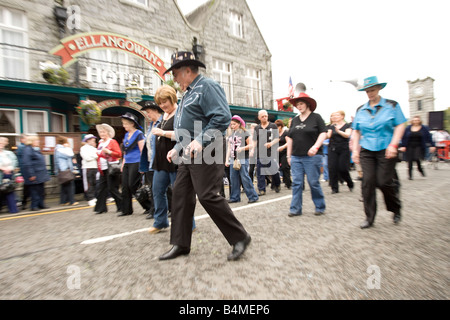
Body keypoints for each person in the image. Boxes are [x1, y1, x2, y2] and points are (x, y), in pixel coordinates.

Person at [159, 51, 250, 261]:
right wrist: (178, 147)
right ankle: (180, 244)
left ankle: (240, 237)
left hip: (208, 149)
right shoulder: (187, 94)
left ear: (187, 71)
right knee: (180, 195)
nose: (174, 79)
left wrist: (200, 140)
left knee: (207, 195)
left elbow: (222, 117)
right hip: (189, 151)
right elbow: (187, 127)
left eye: (175, 74)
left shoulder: (206, 86)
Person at [352, 76, 406, 229]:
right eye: (367, 91)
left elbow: (400, 125)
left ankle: (396, 208)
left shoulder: (392, 105)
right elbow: (356, 132)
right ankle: (369, 218)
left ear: (379, 89)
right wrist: (355, 150)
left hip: (386, 148)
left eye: (373, 90)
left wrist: (394, 145)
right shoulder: (360, 110)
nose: (370, 93)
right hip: (367, 150)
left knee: (384, 182)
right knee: (367, 182)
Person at [148, 85, 194, 233]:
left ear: (172, 98)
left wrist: (162, 132)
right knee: (157, 191)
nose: (162, 106)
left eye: (164, 102)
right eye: (159, 103)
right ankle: (160, 222)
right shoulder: (163, 115)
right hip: (161, 161)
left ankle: (189, 223)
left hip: (177, 160)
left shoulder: (181, 112)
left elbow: (184, 135)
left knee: (180, 194)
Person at [286, 92, 327, 217]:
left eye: (301, 103)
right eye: (297, 104)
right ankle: (295, 209)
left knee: (313, 182)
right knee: (297, 183)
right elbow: (290, 138)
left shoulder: (316, 117)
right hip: (296, 156)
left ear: (308, 104)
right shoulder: (294, 120)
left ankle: (320, 206)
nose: (299, 106)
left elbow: (323, 133)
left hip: (312, 156)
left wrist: (316, 146)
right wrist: (289, 156)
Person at [226, 115, 259, 204]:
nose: (232, 126)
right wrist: (226, 160)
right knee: (233, 178)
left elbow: (251, 145)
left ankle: (253, 196)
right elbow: (229, 148)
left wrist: (242, 148)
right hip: (233, 159)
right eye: (231, 124)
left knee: (244, 177)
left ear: (239, 124)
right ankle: (235, 197)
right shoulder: (231, 135)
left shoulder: (245, 133)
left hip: (243, 158)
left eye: (234, 124)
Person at [139, 100, 164, 219]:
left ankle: (163, 210)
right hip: (150, 161)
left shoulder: (163, 122)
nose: (147, 115)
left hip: (160, 161)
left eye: (149, 112)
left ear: (155, 110)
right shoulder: (151, 126)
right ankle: (154, 210)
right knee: (155, 188)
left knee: (162, 188)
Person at [120, 112, 145, 216]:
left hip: (136, 162)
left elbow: (142, 150)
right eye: (123, 123)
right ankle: (126, 210)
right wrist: (123, 164)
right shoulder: (126, 135)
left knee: (133, 185)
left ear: (132, 124)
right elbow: (125, 151)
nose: (124, 125)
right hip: (127, 162)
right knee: (125, 187)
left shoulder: (139, 134)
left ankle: (147, 205)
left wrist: (143, 165)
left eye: (126, 123)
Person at [94, 123, 122, 214]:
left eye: (103, 132)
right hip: (102, 168)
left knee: (112, 188)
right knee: (101, 188)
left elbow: (118, 154)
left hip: (111, 168)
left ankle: (122, 206)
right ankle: (100, 208)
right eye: (100, 132)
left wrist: (109, 152)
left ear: (108, 133)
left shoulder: (112, 142)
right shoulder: (100, 143)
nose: (102, 134)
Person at [252, 109, 281, 195]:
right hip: (260, 153)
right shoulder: (257, 128)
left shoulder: (273, 126)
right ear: (259, 118)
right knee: (260, 172)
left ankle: (277, 184)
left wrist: (271, 143)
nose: (264, 118)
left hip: (271, 152)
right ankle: (262, 189)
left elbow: (277, 138)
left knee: (274, 170)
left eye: (266, 116)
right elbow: (254, 140)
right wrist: (252, 150)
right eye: (262, 117)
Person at [327, 111, 354, 193]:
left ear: (342, 116)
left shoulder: (347, 125)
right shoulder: (330, 126)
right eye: (333, 115)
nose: (335, 117)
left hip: (344, 149)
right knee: (332, 168)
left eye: (337, 115)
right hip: (332, 149)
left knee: (343, 168)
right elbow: (328, 135)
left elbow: (347, 135)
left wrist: (338, 131)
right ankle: (334, 188)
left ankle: (350, 183)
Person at [21, 135, 50, 211]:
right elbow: (27, 163)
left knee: (41, 190)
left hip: (39, 173)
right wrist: (31, 174)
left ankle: (41, 204)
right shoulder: (28, 150)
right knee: (34, 191)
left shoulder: (34, 149)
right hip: (34, 174)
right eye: (36, 140)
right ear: (32, 142)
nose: (38, 142)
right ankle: (34, 206)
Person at [54, 136, 78, 206]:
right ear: (63, 142)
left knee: (64, 186)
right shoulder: (61, 149)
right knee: (70, 185)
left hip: (62, 169)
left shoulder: (58, 149)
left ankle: (63, 201)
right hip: (65, 169)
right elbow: (70, 154)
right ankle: (72, 201)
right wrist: (68, 147)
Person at [0, 137, 19, 213]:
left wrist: (10, 168)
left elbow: (15, 161)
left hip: (8, 175)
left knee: (9, 191)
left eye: (2, 143)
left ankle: (13, 210)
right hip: (2, 174)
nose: (1, 144)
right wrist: (3, 168)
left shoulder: (8, 153)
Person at [80, 134, 98, 206]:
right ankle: (90, 198)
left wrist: (93, 156)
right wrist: (94, 156)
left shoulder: (94, 148)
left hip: (95, 166)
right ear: (88, 140)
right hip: (87, 167)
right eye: (92, 139)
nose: (93, 140)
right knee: (88, 183)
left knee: (94, 182)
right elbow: (87, 158)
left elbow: (98, 156)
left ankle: (94, 197)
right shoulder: (83, 148)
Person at [275, 119, 291, 189]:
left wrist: (283, 146)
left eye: (277, 127)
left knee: (285, 167)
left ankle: (288, 184)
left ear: (280, 127)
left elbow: (289, 142)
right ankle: (276, 184)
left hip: (284, 152)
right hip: (277, 153)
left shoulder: (286, 133)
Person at [16, 134, 30, 210]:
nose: (27, 141)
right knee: (26, 187)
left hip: (26, 169)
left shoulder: (25, 147)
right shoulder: (22, 147)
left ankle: (24, 202)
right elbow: (21, 160)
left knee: (27, 187)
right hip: (25, 170)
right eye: (26, 139)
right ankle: (23, 202)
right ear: (22, 140)